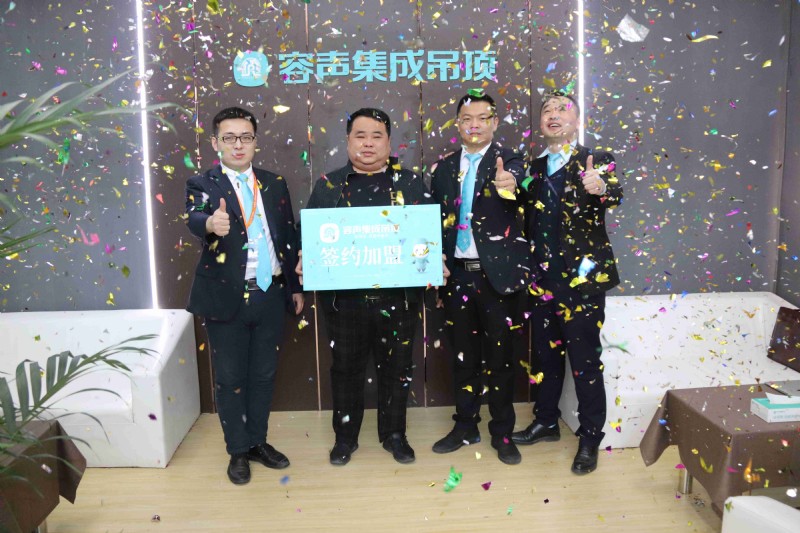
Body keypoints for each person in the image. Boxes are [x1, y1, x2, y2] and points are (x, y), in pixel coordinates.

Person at [295, 108, 433, 466]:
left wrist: (434, 259)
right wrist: (305, 255)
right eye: (360, 135)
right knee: (345, 370)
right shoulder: (328, 185)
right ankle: (345, 438)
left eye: (376, 136)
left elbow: (427, 238)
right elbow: (308, 237)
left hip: (399, 299)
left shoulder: (410, 183)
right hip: (344, 302)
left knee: (398, 368)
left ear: (389, 142)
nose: (368, 143)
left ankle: (395, 435)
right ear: (348, 141)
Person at [185, 106, 304, 485]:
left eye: (245, 137)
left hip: (271, 292)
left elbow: (287, 235)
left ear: (255, 141)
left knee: (264, 375)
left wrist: (296, 287)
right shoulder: (202, 184)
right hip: (226, 297)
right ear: (216, 142)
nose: (238, 145)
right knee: (230, 378)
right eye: (229, 138)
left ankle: (257, 442)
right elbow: (195, 218)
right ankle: (237, 450)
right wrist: (210, 222)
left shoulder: (274, 183)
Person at [512, 91, 623, 475]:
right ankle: (546, 421)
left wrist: (601, 186)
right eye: (547, 110)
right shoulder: (533, 167)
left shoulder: (597, 159)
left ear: (576, 121)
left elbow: (615, 194)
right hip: (542, 282)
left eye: (563, 109)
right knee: (545, 359)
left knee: (586, 363)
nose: (553, 115)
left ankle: (590, 437)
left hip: (583, 284)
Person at [429, 90, 530, 465]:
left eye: (482, 118)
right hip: (457, 276)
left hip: (498, 279)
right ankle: (465, 425)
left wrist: (510, 184)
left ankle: (502, 432)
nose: (474, 124)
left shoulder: (511, 160)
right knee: (463, 358)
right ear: (458, 124)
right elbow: (435, 221)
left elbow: (518, 188)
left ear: (494, 122)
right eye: (466, 118)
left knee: (501, 360)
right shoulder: (443, 168)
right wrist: (435, 266)